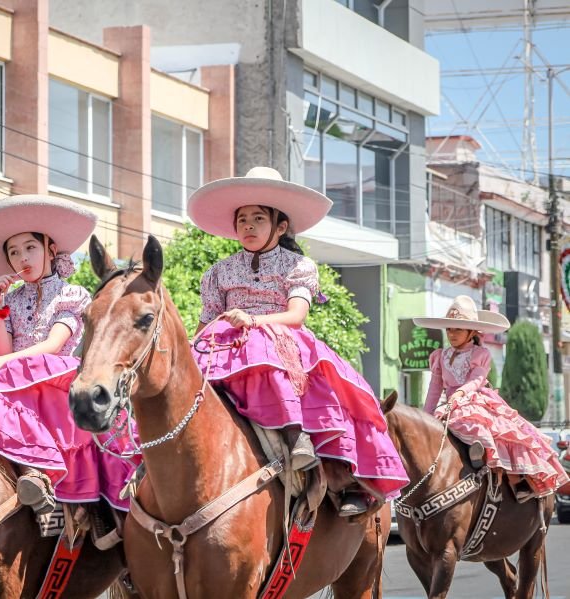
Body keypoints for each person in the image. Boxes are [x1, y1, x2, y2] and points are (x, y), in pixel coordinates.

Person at [186, 167, 409, 517]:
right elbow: (205, 323)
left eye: (258, 218)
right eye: (242, 218)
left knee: (271, 355)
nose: (247, 225)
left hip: (279, 340)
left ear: (280, 226)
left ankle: (314, 454)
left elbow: (296, 316)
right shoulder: (218, 272)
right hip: (225, 346)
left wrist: (254, 320)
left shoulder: (299, 265)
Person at [0, 194, 137, 523]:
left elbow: (53, 343)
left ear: (50, 248)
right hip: (14, 372)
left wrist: (9, 363)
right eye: (14, 252)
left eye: (30, 248)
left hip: (57, 374)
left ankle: (49, 482)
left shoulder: (72, 294)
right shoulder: (13, 299)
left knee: (6, 376)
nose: (22, 257)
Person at [414, 295, 570, 500]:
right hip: (450, 403)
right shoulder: (439, 356)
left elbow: (476, 380)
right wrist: (426, 416)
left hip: (475, 400)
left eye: (458, 329)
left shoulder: (480, 354)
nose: (452, 333)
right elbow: (434, 389)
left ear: (471, 333)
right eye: (449, 328)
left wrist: (459, 395)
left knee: (490, 430)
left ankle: (513, 480)